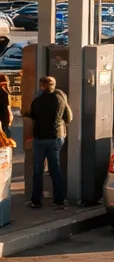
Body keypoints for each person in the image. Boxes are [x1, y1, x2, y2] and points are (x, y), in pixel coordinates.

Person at [27, 75, 71, 208]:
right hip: (55, 138)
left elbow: (32, 116)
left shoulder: (37, 101)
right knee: (55, 169)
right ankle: (59, 199)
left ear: (41, 86)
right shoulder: (60, 99)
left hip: (40, 138)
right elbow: (68, 118)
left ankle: (36, 200)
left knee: (38, 170)